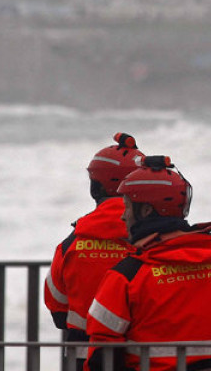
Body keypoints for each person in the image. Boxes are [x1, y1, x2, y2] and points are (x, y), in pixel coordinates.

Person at [84, 155, 211, 371]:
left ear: (147, 211)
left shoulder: (127, 276)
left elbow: (102, 353)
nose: (123, 217)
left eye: (128, 208)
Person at [44, 133, 144, 368]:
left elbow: (57, 305)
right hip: (144, 356)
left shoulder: (73, 242)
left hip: (84, 355)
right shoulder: (156, 240)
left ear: (96, 185)